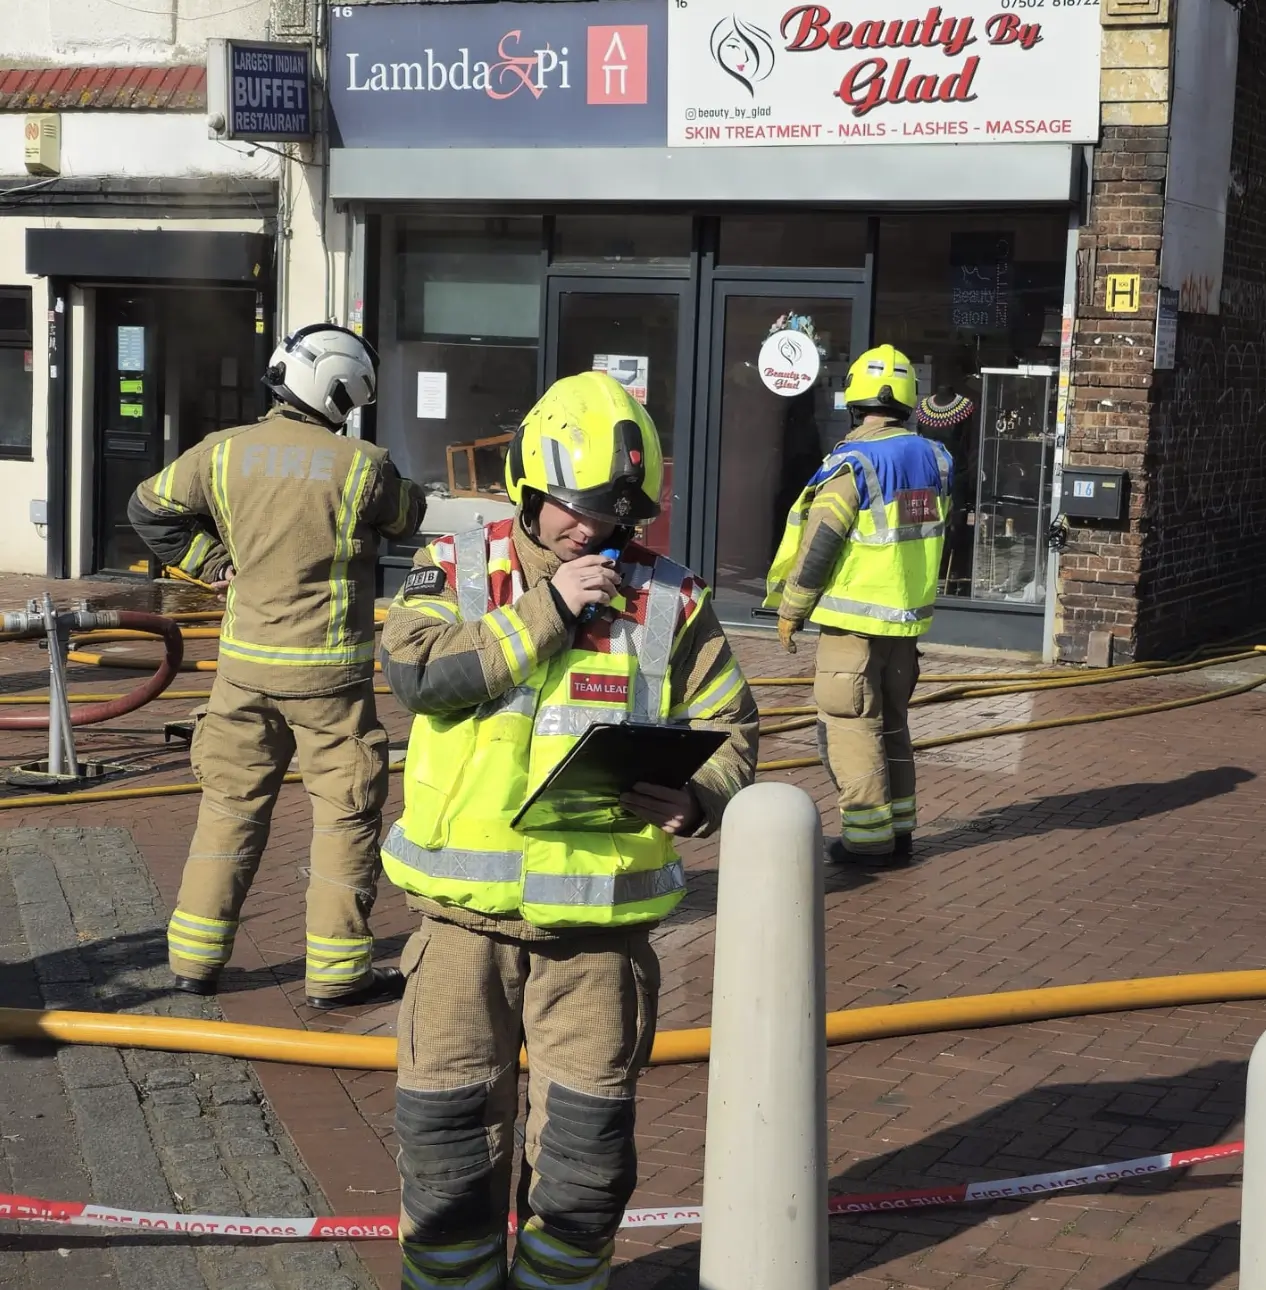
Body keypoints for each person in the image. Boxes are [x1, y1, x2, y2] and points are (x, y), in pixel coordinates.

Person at [379, 371, 758, 1290]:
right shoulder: (462, 567)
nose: (592, 532)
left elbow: (736, 729)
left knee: (586, 1168)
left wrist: (699, 795)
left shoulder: (669, 598)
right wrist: (549, 609)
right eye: (575, 511)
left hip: (599, 946)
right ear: (530, 485)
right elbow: (418, 674)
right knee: (447, 1160)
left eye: (613, 517)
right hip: (462, 934)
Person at [128, 323, 425, 1007]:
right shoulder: (362, 465)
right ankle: (338, 973)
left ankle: (194, 962)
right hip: (330, 684)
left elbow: (149, 507)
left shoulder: (221, 453)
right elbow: (406, 515)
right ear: (342, 393)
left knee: (229, 808)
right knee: (345, 817)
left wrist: (208, 564)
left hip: (242, 674)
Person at [765, 344, 952, 867]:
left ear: (853, 402)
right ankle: (900, 830)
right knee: (892, 722)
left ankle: (868, 840)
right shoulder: (935, 458)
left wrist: (791, 608)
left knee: (849, 726)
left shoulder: (855, 461)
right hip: (904, 623)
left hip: (852, 623)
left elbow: (821, 538)